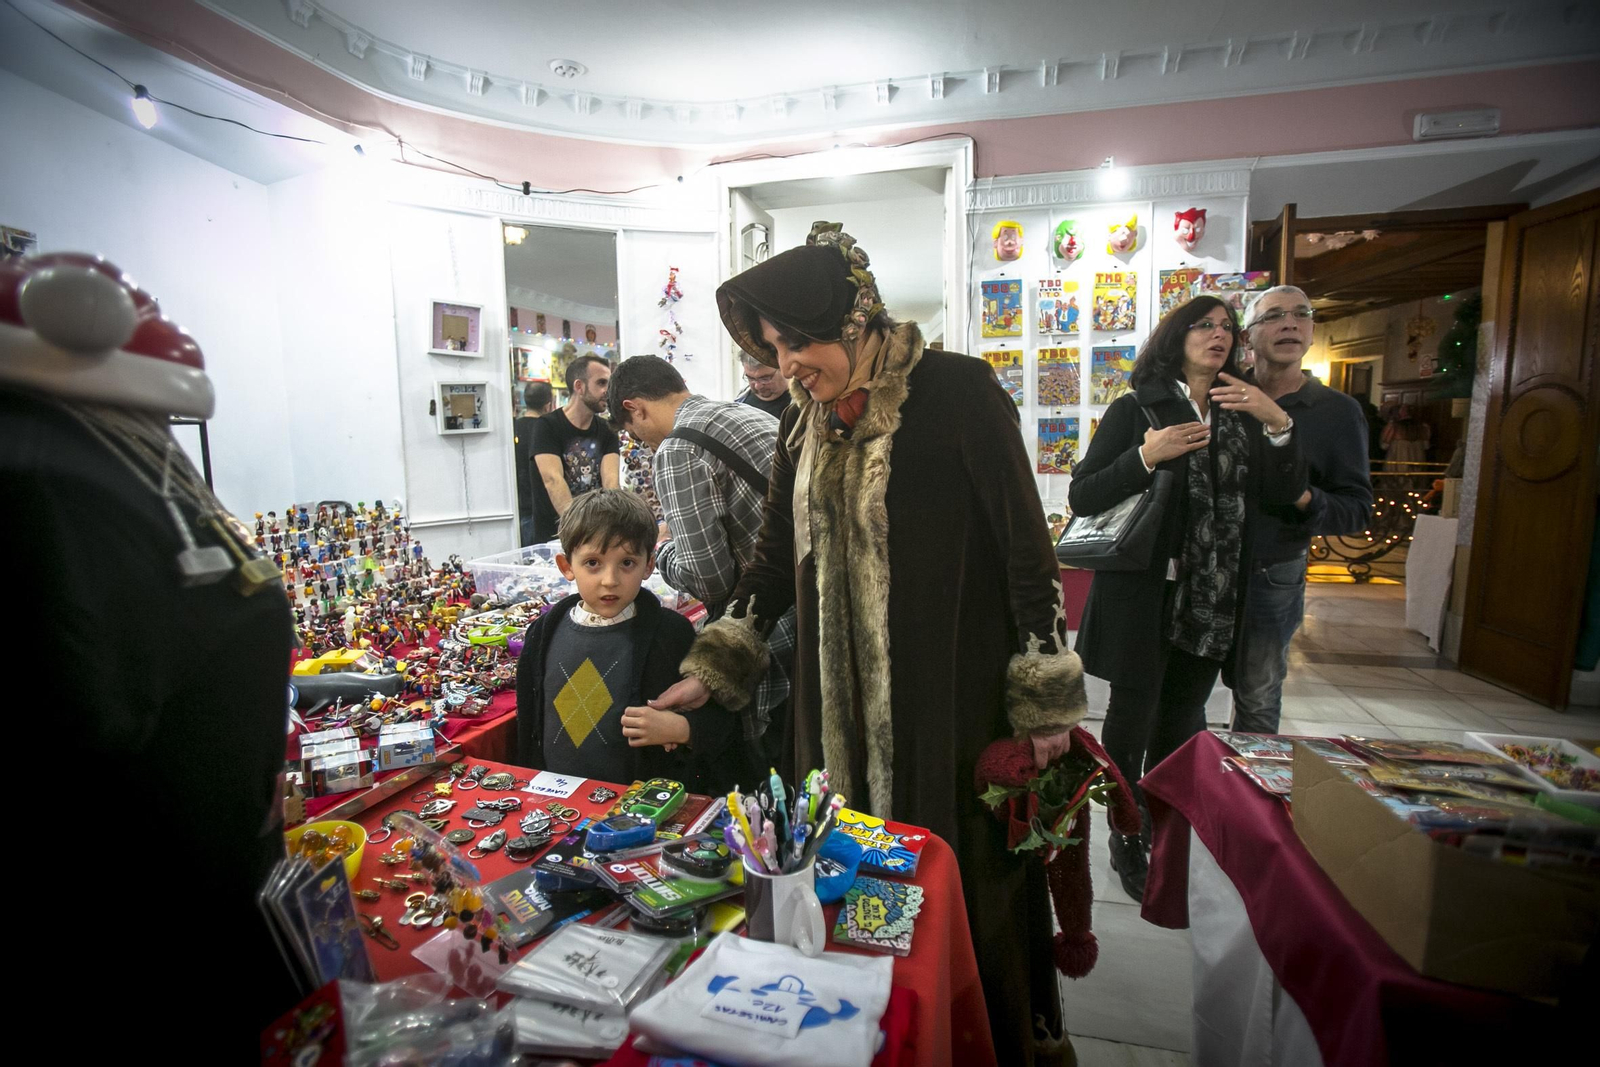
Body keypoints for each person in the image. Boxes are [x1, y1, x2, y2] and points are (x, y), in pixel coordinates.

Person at [650, 223, 1086, 1066]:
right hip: (828, 715)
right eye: (775, 347)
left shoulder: (959, 392)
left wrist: (1044, 700)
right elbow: (772, 560)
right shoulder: (802, 423)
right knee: (846, 882)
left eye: (800, 341)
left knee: (958, 888)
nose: (789, 365)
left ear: (857, 321)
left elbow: (1026, 551)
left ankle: (974, 1040)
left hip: (948, 707)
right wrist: (720, 658)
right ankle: (869, 1040)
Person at [0, 254, 295, 1034]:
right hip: (144, 902)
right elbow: (78, 705)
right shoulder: (41, 479)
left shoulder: (94, 453)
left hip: (203, 871)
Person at [1069, 296, 1307, 902]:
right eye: (1204, 324)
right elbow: (1084, 495)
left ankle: (1169, 828)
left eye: (1228, 327)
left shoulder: (1245, 411)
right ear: (1176, 336)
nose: (1218, 335)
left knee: (1181, 725)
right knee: (1130, 720)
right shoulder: (1139, 408)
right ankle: (1126, 829)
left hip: (1215, 596)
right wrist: (1148, 454)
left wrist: (1277, 423)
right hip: (1147, 596)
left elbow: (1285, 496)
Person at [608, 354, 796, 775]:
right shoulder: (740, 413)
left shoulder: (678, 447)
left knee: (778, 790)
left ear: (633, 408)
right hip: (810, 613)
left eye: (634, 434)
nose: (642, 442)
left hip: (772, 631)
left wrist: (665, 551)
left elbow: (708, 580)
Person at [514, 489, 737, 795]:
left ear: (648, 565)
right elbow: (527, 725)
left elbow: (721, 723)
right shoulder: (541, 635)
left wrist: (683, 730)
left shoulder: (671, 634)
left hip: (644, 810)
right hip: (558, 806)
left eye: (627, 563)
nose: (610, 579)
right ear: (566, 566)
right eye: (593, 562)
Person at [1233, 287, 1373, 733]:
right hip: (1202, 567)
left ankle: (1247, 800)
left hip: (1272, 569)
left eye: (1301, 314)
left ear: (1312, 331)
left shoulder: (1337, 411)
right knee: (1184, 691)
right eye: (1274, 316)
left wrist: (1304, 498)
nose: (1289, 323)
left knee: (1256, 693)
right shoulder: (1220, 395)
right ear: (1248, 337)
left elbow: (1357, 509)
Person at [527, 354, 620, 543]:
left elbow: (611, 482)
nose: (607, 391)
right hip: (556, 538)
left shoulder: (607, 430)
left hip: (599, 535)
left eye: (609, 385)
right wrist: (580, 531)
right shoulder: (547, 426)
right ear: (579, 386)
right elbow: (552, 480)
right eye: (601, 383)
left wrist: (613, 527)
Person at [514, 381, 555, 545]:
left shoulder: (514, 428)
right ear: (548, 405)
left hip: (520, 502)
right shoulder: (547, 430)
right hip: (541, 505)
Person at [735, 351, 792, 420]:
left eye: (765, 379)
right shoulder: (741, 398)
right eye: (751, 378)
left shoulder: (800, 405)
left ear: (783, 368)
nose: (757, 386)